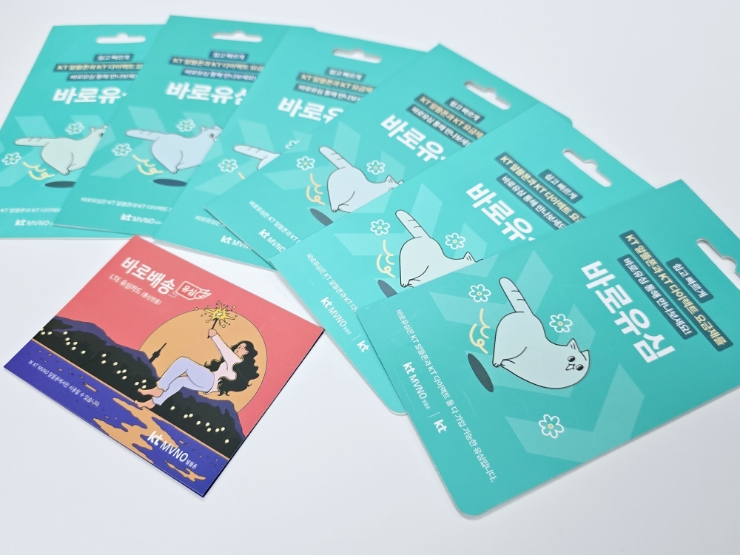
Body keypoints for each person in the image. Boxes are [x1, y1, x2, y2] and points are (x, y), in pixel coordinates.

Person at [135, 329, 259, 409]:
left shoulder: (236, 360)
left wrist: (215, 336)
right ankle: (152, 403)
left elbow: (224, 349)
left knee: (183, 362)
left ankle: (159, 388)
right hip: (208, 385)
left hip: (210, 380)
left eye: (243, 348)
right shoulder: (233, 362)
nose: (239, 348)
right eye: (239, 346)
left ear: (247, 353)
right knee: (179, 381)